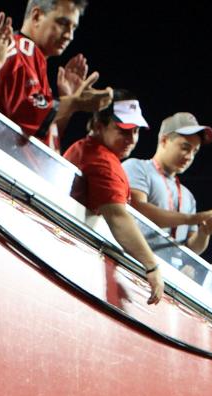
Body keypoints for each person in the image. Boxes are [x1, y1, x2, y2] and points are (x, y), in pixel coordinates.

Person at [63, 92, 165, 305]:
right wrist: (151, 266)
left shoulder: (86, 147)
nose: (132, 139)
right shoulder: (103, 162)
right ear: (99, 126)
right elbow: (118, 218)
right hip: (77, 258)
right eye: (124, 131)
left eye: (136, 131)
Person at [0, 0, 111, 149]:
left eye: (73, 27)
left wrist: (67, 101)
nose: (70, 35)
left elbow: (40, 138)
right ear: (36, 16)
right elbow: (29, 116)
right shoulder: (22, 51)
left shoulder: (33, 58)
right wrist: (74, 103)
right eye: (62, 23)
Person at [123, 113, 212, 255]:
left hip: (166, 272)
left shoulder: (188, 196)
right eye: (185, 147)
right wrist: (192, 219)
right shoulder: (137, 167)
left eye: (194, 151)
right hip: (133, 262)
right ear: (164, 141)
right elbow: (138, 211)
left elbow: (192, 248)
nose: (189, 156)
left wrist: (204, 233)